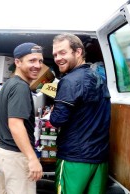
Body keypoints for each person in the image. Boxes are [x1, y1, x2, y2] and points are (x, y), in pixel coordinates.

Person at [49, 33, 111, 194]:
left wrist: (53, 111)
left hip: (74, 159)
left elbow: (57, 120)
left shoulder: (70, 81)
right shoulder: (99, 77)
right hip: (99, 158)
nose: (57, 58)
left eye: (63, 52)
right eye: (55, 54)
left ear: (78, 52)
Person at [0, 42, 44, 194]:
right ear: (18, 62)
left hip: (1, 153)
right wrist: (32, 158)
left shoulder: (10, 83)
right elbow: (15, 125)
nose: (37, 65)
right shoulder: (20, 87)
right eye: (32, 60)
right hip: (15, 157)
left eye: (40, 61)